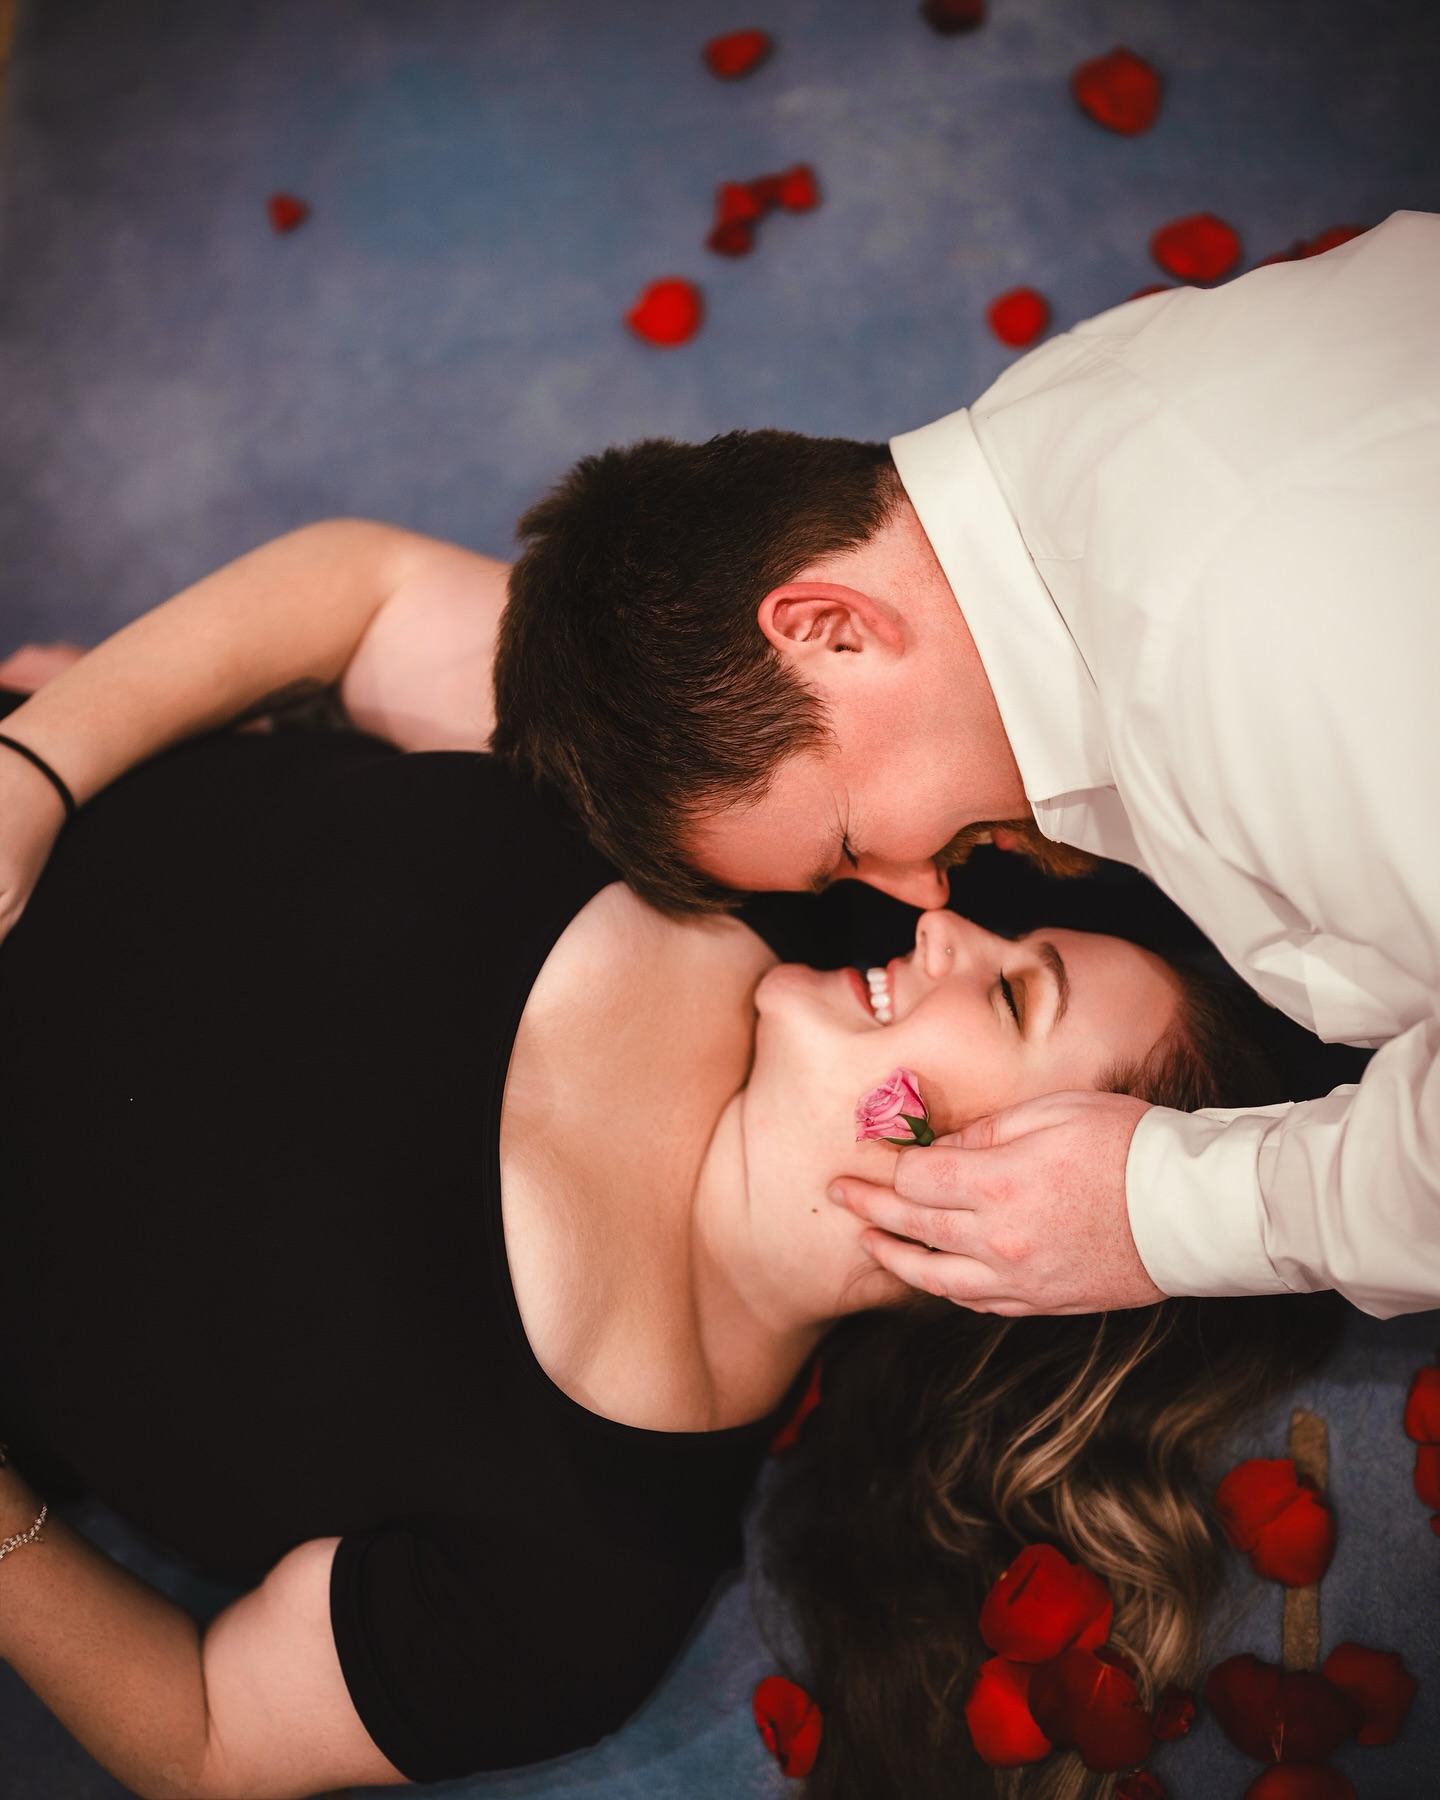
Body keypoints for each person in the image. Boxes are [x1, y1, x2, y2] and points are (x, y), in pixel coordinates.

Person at [0, 566, 1334, 1800]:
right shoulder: (710, 838)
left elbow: (206, 1733)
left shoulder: (577, 1578)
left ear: (1026, 1228)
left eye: (1015, 993)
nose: (946, 927)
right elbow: (371, 590)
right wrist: (49, 763)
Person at [488, 209, 1440, 1323]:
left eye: (848, 847)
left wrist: (1180, 1213)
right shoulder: (1071, 416)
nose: (926, 895)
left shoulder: (1245, 664)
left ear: (832, 630)